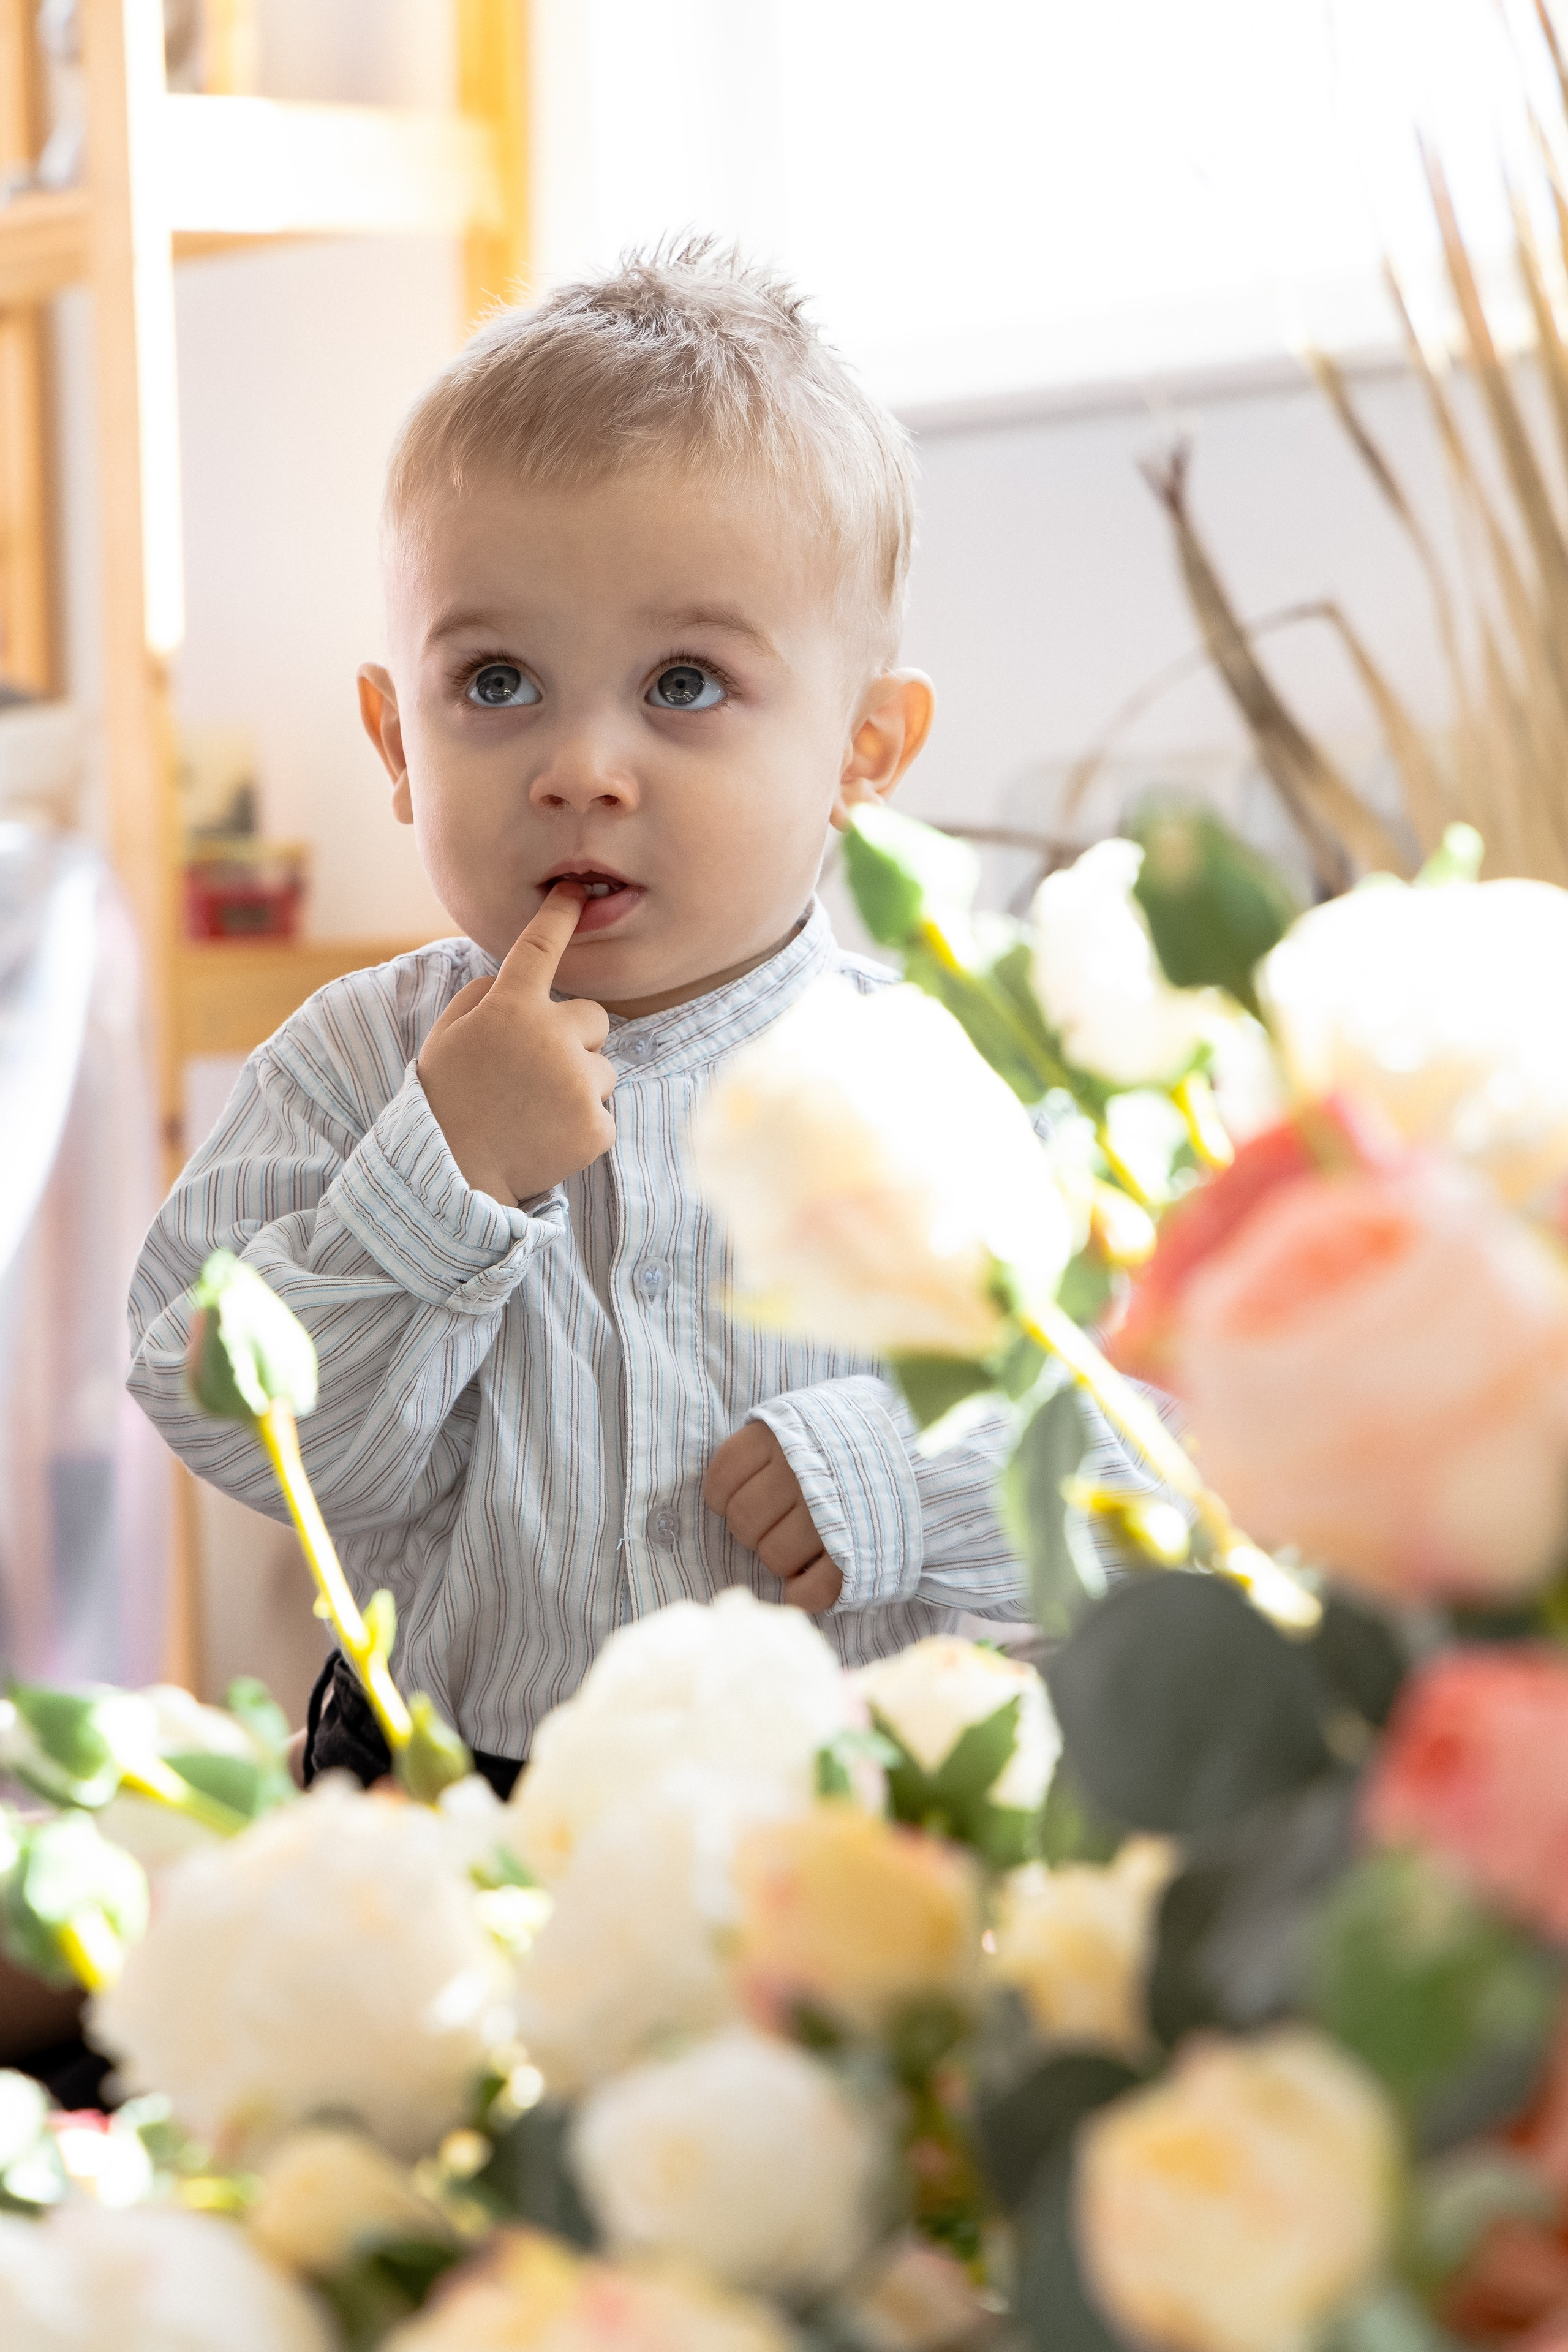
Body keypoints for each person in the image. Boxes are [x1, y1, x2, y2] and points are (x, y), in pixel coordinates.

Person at [127, 242, 1127, 1796]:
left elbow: (1141, 1461)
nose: (581, 765)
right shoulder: (347, 1066)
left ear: (863, 747)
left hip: (839, 1809)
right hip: (450, 1794)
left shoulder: (944, 1084)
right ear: (397, 737)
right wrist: (440, 1182)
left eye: (680, 683)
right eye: (499, 680)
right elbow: (243, 1436)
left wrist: (898, 1473)